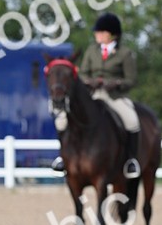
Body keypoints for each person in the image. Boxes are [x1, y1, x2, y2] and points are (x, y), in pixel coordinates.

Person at [51, 11, 141, 178]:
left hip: (114, 96)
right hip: (92, 94)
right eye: (97, 32)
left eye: (101, 32)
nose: (97, 35)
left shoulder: (125, 54)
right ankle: (62, 157)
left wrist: (115, 83)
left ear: (111, 34)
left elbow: (131, 79)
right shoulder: (92, 51)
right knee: (62, 120)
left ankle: (130, 160)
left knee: (132, 121)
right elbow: (83, 73)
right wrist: (89, 82)